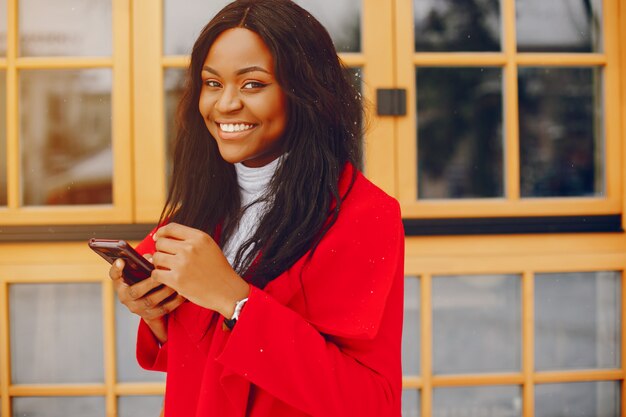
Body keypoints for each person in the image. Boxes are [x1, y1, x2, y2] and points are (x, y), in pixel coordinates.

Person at [109, 1, 405, 415]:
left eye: (253, 84)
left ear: (306, 92)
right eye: (212, 84)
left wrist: (236, 302)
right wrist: (154, 310)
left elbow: (369, 402)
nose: (225, 104)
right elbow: (199, 362)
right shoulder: (199, 207)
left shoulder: (366, 216)